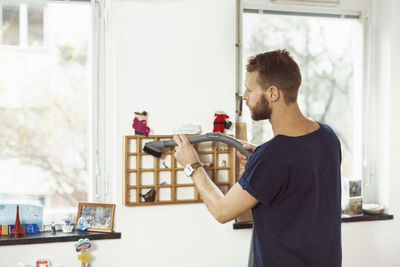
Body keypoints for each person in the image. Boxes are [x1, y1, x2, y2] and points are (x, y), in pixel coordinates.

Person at [173, 49, 342, 267]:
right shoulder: (327, 137)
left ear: (273, 93)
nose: (244, 95)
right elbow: (297, 179)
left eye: (249, 89)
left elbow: (222, 211)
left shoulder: (271, 158)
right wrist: (262, 159)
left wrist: (192, 165)